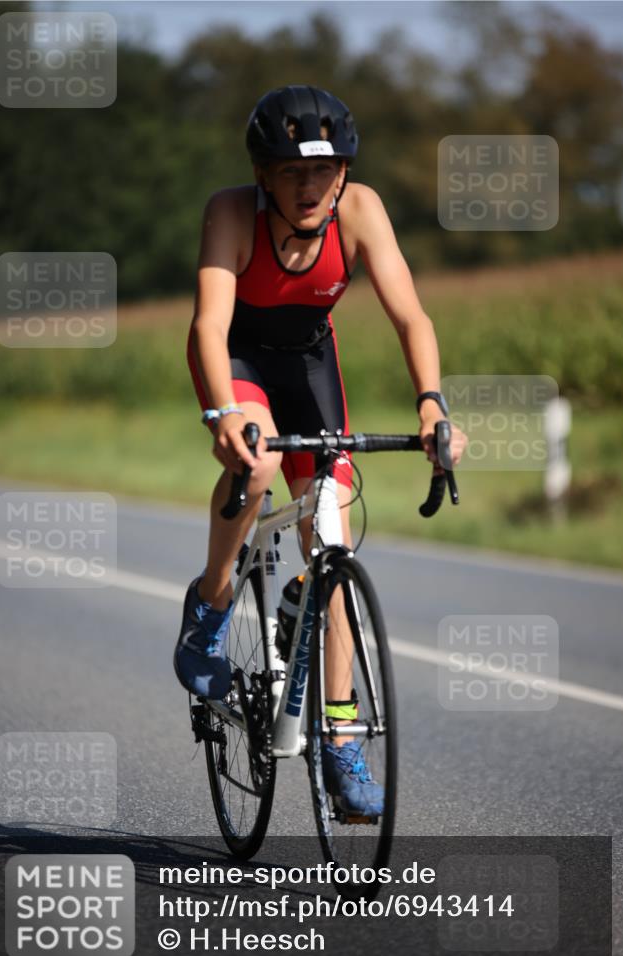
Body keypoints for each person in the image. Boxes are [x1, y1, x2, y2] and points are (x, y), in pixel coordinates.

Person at [174, 85, 467, 817]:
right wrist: (221, 415)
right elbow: (210, 323)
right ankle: (211, 604)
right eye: (290, 172)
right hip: (237, 357)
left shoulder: (361, 210)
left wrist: (431, 402)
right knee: (260, 459)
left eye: (324, 171)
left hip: (307, 360)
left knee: (329, 536)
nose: (309, 187)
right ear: (263, 174)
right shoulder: (231, 212)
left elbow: (409, 312)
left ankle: (339, 744)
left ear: (343, 172)